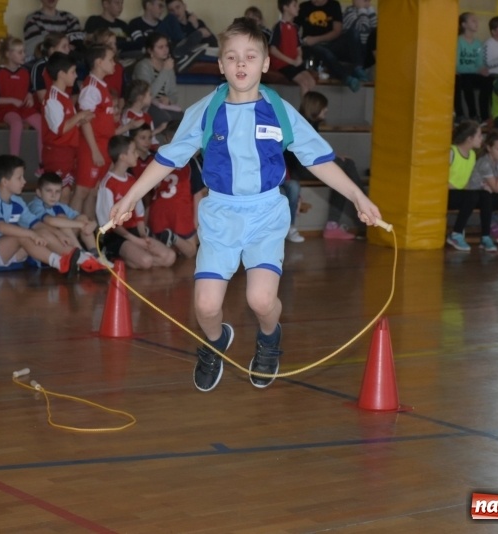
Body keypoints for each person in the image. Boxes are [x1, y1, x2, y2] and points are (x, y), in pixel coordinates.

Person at [107, 18, 382, 392]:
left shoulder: (280, 111)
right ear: (220, 65)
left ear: (265, 63)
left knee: (260, 298)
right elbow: (168, 158)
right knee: (204, 307)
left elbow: (318, 159)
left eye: (250, 56)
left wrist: (358, 196)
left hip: (266, 214)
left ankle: (269, 338)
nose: (241, 64)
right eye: (232, 57)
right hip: (220, 215)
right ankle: (216, 341)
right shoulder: (206, 111)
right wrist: (130, 196)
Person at [0, 154, 85, 273]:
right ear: (5, 182)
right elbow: (1, 227)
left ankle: (83, 260)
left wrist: (58, 234)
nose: (24, 181)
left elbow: (36, 224)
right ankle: (60, 262)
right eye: (19, 178)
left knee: (40, 232)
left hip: (8, 250)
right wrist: (31, 234)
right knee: (22, 234)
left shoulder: (17, 201)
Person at [288, 91, 368, 240]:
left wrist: (334, 157)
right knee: (347, 167)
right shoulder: (303, 124)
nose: (327, 111)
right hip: (301, 168)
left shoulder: (310, 123)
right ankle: (361, 205)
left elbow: (315, 149)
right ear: (316, 108)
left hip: (304, 165)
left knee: (344, 170)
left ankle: (336, 222)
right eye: (325, 108)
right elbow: (303, 154)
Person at [96, 135, 177, 269]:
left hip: (134, 233)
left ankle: (133, 258)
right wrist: (136, 241)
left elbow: (139, 213)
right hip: (116, 236)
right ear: (123, 157)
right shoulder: (108, 184)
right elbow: (109, 223)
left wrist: (143, 236)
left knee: (170, 257)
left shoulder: (132, 180)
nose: (137, 155)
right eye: (133, 152)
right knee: (146, 261)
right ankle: (114, 257)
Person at [41, 52, 95, 204]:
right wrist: (79, 116)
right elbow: (60, 128)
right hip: (57, 153)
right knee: (58, 195)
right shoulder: (53, 98)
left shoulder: (64, 96)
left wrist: (82, 119)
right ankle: (54, 225)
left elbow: (68, 125)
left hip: (68, 151)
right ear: (61, 74)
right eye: (72, 72)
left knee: (65, 193)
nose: (76, 75)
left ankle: (61, 226)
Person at [28, 172, 111, 270]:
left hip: (64, 242)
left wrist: (92, 224)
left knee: (82, 218)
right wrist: (80, 224)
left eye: (57, 191)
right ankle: (81, 255)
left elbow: (82, 219)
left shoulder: (59, 206)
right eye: (49, 191)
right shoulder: (35, 205)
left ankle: (95, 254)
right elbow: (51, 221)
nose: (53, 195)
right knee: (62, 220)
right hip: (44, 250)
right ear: (39, 192)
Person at [74, 45, 118, 219]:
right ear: (99, 62)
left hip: (103, 145)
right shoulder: (91, 87)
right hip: (92, 146)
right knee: (82, 191)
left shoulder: (102, 85)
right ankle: (71, 236)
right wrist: (94, 150)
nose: (114, 63)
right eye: (111, 59)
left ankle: (88, 236)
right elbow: (84, 122)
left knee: (93, 191)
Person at [0, 35, 42, 158]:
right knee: (17, 123)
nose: (24, 55)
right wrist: (12, 100)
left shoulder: (25, 72)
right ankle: (14, 160)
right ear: (8, 54)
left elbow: (30, 88)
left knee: (42, 123)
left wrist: (30, 95)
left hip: (22, 108)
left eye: (24, 52)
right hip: (4, 109)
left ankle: (43, 163)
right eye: (20, 52)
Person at [148, 121, 200, 258]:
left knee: (168, 254)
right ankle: (174, 238)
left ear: (166, 138)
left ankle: (156, 236)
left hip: (158, 210)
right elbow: (198, 194)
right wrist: (195, 224)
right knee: (191, 251)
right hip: (179, 210)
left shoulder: (156, 159)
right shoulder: (189, 162)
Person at [445, 121, 498, 252]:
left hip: (462, 195)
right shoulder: (451, 152)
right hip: (447, 194)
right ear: (469, 139)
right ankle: (456, 234)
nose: (482, 139)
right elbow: (439, 179)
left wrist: (481, 186)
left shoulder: (473, 155)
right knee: (472, 196)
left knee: (485, 195)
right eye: (479, 136)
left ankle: (485, 236)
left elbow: (468, 181)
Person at [296, 0, 367, 92]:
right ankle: (347, 78)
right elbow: (294, 29)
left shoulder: (334, 5)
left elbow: (337, 31)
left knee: (353, 33)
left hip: (330, 43)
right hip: (311, 47)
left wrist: (316, 39)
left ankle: (359, 69)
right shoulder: (303, 7)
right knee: (324, 52)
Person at [132, 33, 185, 128]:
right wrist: (165, 71)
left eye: (166, 46)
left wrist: (168, 100)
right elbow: (146, 93)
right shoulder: (143, 66)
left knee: (184, 119)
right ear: (150, 51)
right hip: (146, 106)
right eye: (160, 47)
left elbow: (174, 93)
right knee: (165, 119)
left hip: (164, 106)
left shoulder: (168, 65)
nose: (165, 50)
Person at [269, 0, 318, 98]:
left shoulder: (295, 27)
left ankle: (309, 109)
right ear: (285, 8)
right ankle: (304, 113)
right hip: (283, 64)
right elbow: (273, 49)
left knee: (311, 82)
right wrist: (291, 61)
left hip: (294, 63)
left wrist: (299, 57)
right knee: (304, 83)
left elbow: (298, 47)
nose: (298, 8)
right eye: (295, 5)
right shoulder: (278, 27)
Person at [455, 13, 491, 122]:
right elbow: (457, 66)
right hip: (462, 75)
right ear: (464, 25)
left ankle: (485, 116)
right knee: (466, 81)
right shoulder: (458, 41)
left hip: (473, 74)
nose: (477, 23)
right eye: (473, 21)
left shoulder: (478, 43)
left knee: (488, 81)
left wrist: (483, 69)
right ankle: (470, 114)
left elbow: (479, 63)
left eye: (477, 20)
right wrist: (477, 70)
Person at [29, 33, 73, 105]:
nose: (68, 50)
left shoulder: (70, 65)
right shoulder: (40, 67)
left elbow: (75, 93)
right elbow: (42, 98)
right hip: (46, 108)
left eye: (68, 46)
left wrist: (68, 108)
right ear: (52, 50)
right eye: (64, 47)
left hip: (66, 106)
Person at [342, 0, 378, 71]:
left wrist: (370, 9)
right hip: (355, 50)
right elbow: (363, 28)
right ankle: (359, 68)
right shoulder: (349, 12)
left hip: (368, 50)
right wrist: (361, 9)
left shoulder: (369, 11)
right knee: (355, 33)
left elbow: (375, 30)